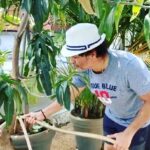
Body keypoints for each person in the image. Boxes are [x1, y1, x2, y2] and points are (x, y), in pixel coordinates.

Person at [25, 23, 150, 150]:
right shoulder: (85, 70)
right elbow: (71, 94)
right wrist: (42, 114)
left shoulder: (129, 66)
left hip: (137, 124)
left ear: (92, 54)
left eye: (75, 57)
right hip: (112, 117)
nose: (72, 62)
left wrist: (128, 134)